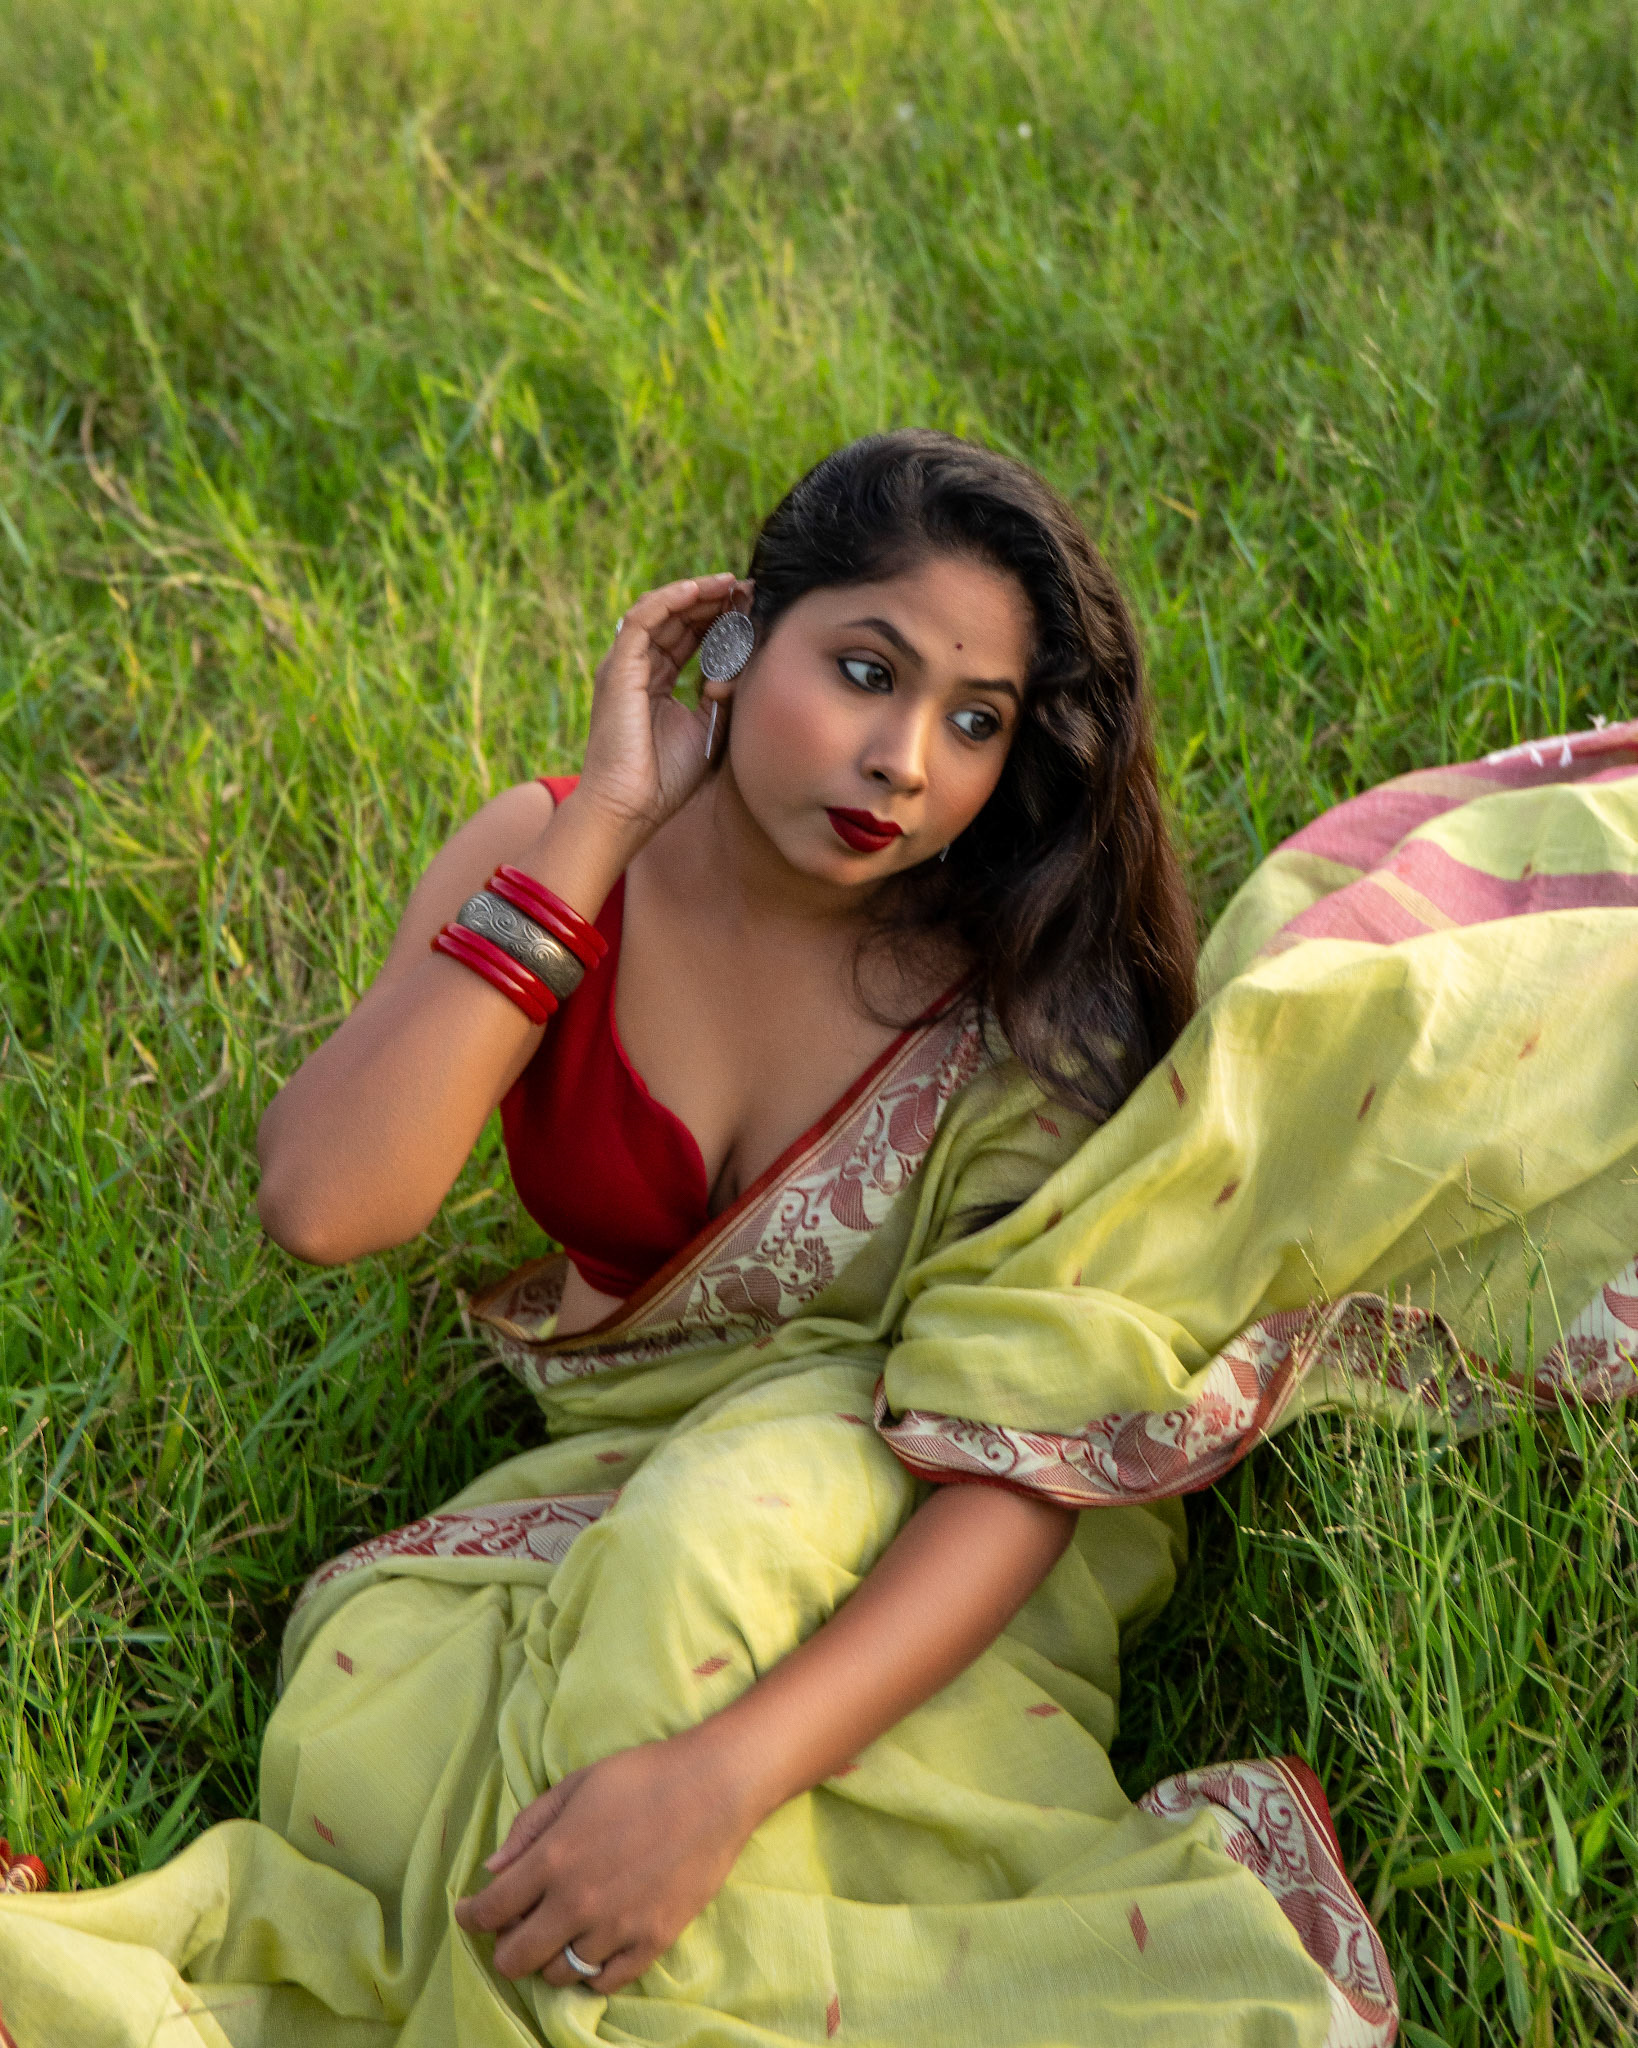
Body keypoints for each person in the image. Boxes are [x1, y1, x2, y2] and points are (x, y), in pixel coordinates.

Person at [2, 432, 1635, 2048]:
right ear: (734, 639)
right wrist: (601, 827)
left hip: (930, 1484)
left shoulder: (1020, 1009)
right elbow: (325, 1201)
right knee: (369, 1713)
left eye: (974, 720)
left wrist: (719, 1783)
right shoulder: (558, 858)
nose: (905, 761)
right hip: (620, 1455)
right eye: (864, 671)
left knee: (695, 1567)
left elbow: (1021, 1461)